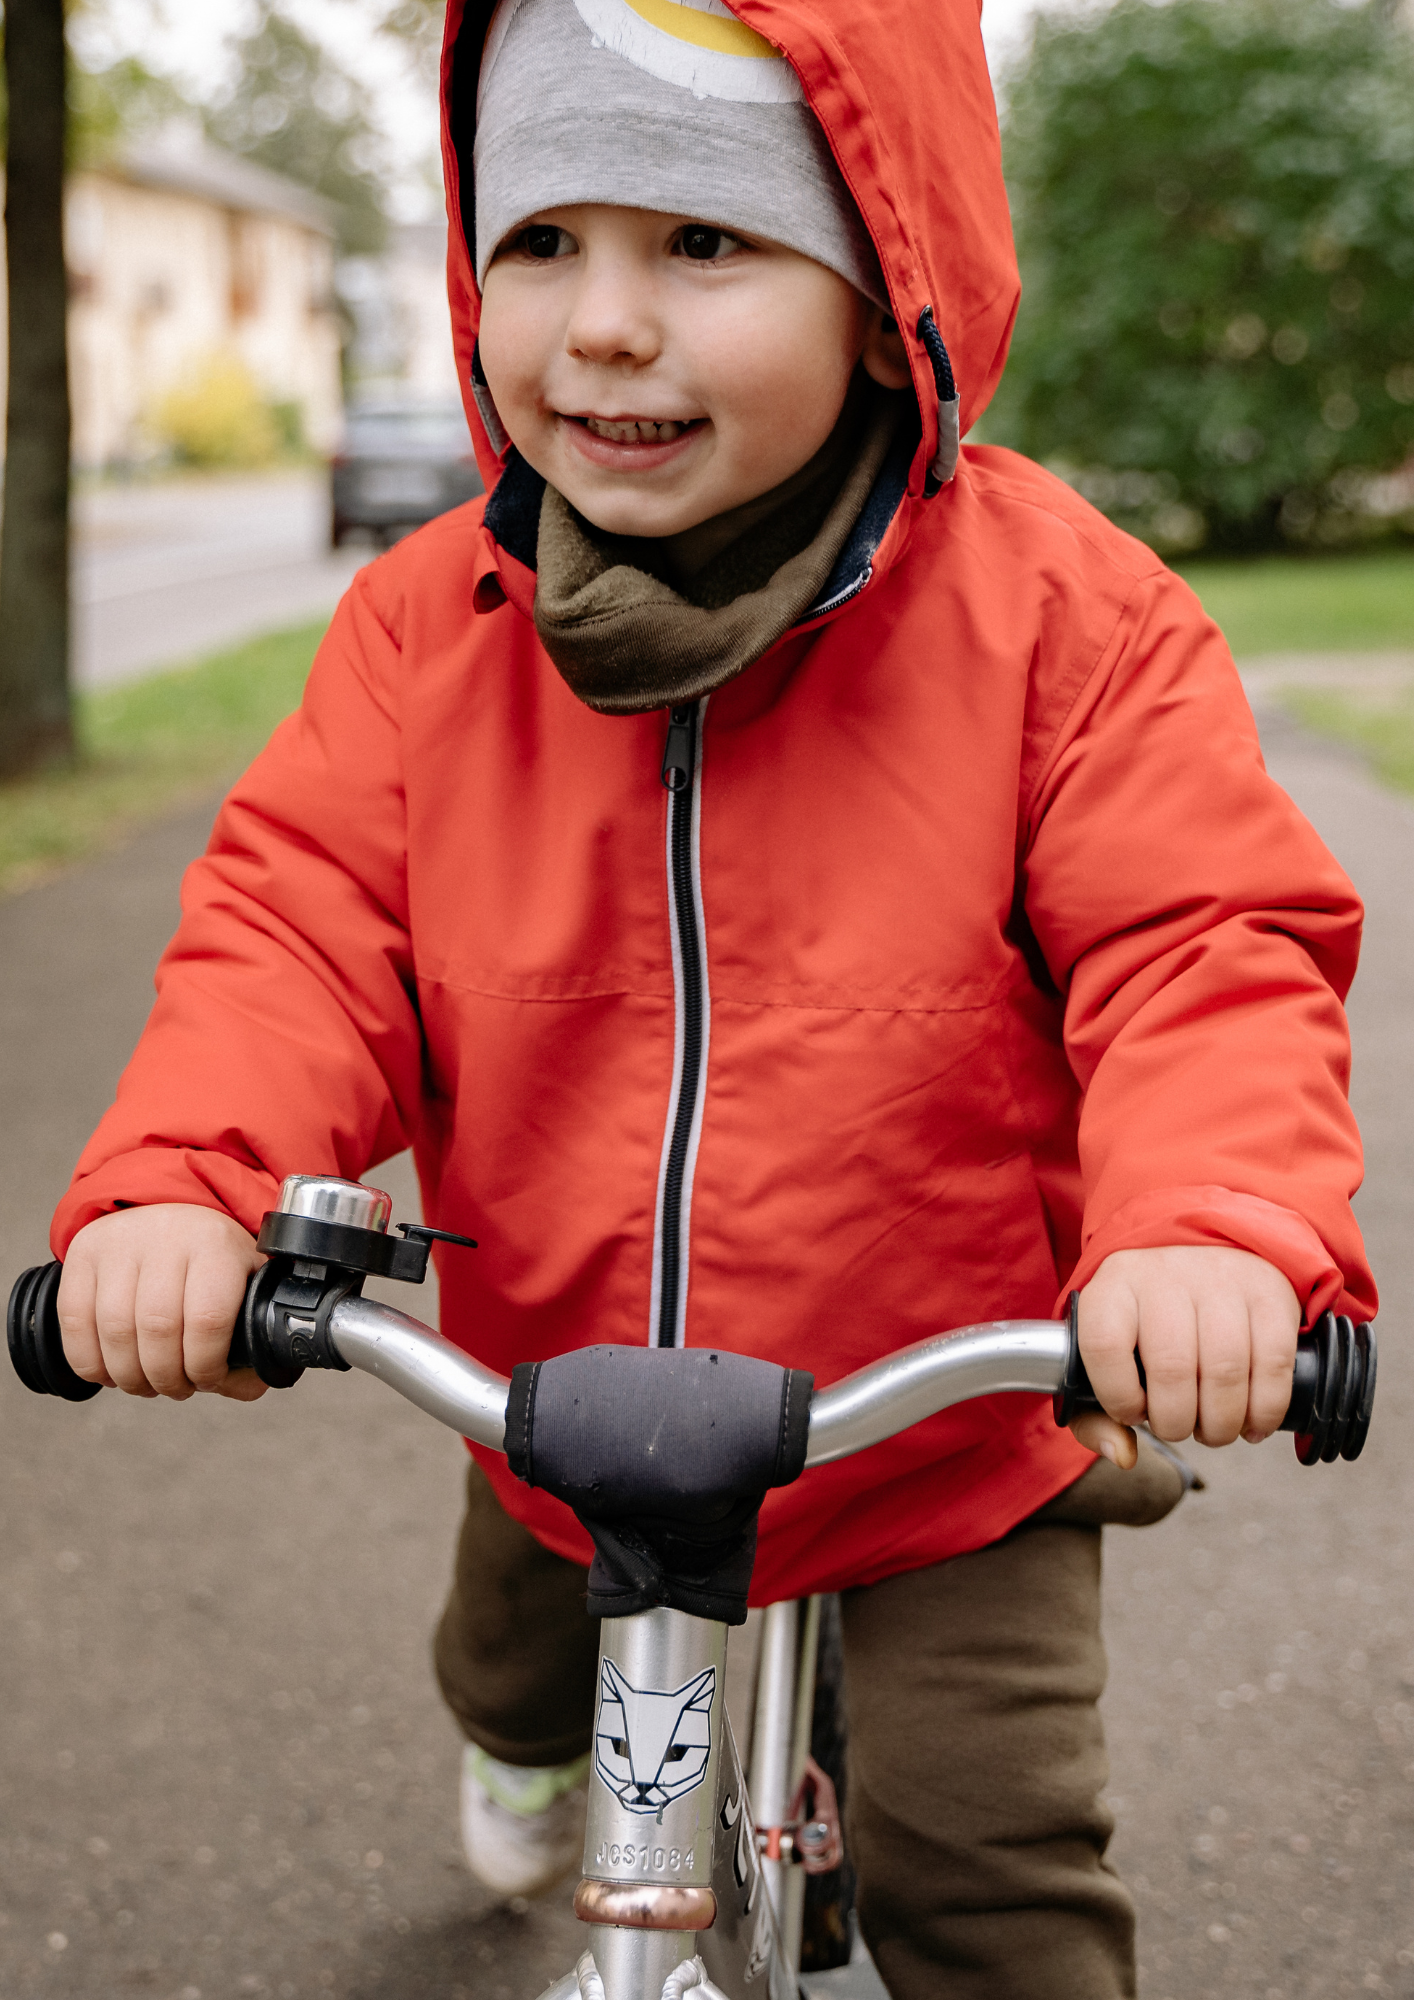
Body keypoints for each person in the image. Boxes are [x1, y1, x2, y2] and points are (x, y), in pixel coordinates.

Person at [50, 0, 1375, 1993]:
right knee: (505, 1658)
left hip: (945, 1425)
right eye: (538, 240)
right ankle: (512, 1745)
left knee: (988, 1863)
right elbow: (298, 929)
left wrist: (1206, 1231)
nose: (598, 322)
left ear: (880, 286)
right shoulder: (428, 632)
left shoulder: (1062, 625)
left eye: (701, 241)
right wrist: (177, 1179)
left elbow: (1198, 946)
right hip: (561, 1395)